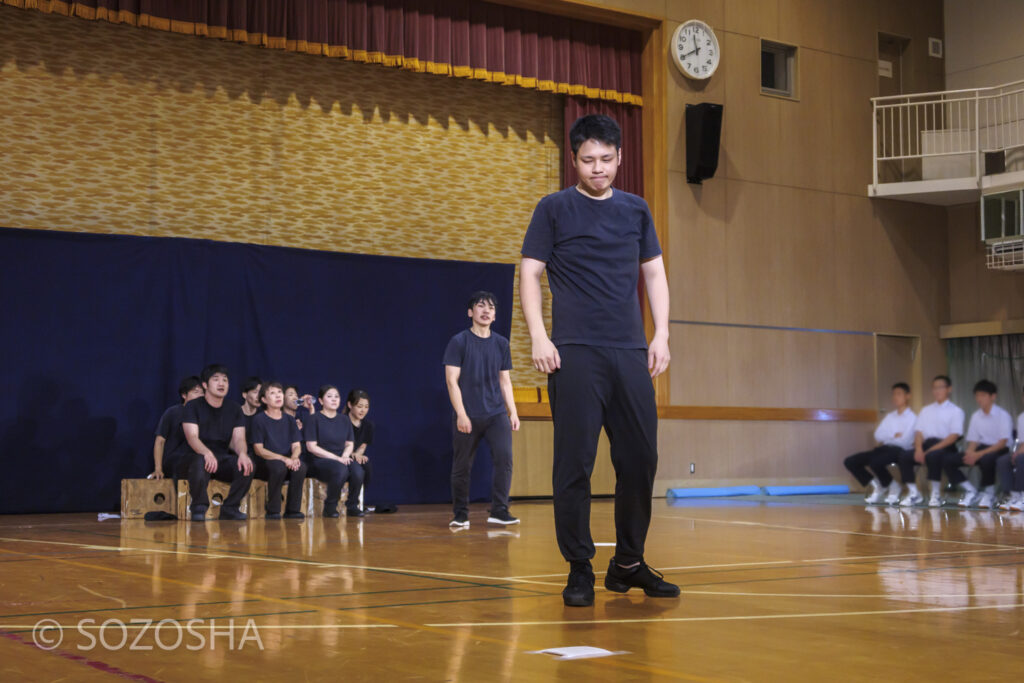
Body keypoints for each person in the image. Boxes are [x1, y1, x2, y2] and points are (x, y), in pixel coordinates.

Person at [520, 114, 679, 607]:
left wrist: (663, 334)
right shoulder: (553, 209)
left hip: (631, 351)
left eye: (606, 160)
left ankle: (628, 563)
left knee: (641, 460)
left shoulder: (636, 210)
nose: (598, 169)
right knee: (575, 464)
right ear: (574, 160)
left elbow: (654, 274)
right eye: (588, 160)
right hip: (575, 354)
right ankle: (579, 567)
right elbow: (528, 274)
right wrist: (539, 337)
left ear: (619, 158)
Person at [443, 292, 520, 529]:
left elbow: (505, 381)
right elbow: (451, 381)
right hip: (468, 412)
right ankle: (461, 514)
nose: (486, 311)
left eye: (491, 308)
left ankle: (499, 510)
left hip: (496, 413)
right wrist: (462, 413)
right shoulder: (459, 341)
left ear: (495, 315)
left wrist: (513, 411)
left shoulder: (501, 343)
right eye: (480, 306)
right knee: (462, 465)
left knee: (505, 459)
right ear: (471, 312)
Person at [178, 364, 254, 521]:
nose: (221, 383)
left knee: (247, 464)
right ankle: (199, 507)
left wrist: (243, 454)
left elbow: (239, 439)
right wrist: (206, 453)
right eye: (216, 379)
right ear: (205, 385)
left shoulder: (234, 409)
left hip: (221, 456)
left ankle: (230, 507)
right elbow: (192, 437)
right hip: (195, 455)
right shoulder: (193, 406)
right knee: (200, 461)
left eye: (225, 380)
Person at [843, 383, 916, 505]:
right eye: (894, 394)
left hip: (900, 450)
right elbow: (878, 435)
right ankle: (880, 485)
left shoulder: (913, 418)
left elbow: (905, 440)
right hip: (884, 448)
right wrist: (893, 435)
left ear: (907, 396)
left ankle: (891, 486)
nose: (895, 397)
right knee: (850, 461)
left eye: (899, 394)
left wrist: (889, 436)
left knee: (875, 462)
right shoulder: (890, 416)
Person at [899, 375, 965, 508]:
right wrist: (918, 449)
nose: (937, 391)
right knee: (904, 456)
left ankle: (936, 494)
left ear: (949, 389)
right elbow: (919, 433)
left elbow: (953, 436)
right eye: (934, 388)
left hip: (946, 446)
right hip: (926, 445)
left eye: (940, 387)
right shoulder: (926, 410)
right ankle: (914, 493)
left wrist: (928, 451)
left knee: (933, 455)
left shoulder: (956, 411)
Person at [950, 380, 1013, 509]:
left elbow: (1002, 442)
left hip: (1000, 449)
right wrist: (970, 453)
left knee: (986, 459)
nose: (979, 399)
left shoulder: (1003, 415)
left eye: (983, 395)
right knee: (949, 460)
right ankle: (971, 491)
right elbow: (973, 440)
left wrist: (978, 454)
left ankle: (989, 494)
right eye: (977, 395)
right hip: (981, 448)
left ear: (993, 396)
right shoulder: (976, 416)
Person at [304, 384, 364, 518]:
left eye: (336, 396)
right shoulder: (314, 419)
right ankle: (330, 507)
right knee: (341, 470)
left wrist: (344, 455)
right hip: (320, 459)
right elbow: (311, 447)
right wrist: (337, 459)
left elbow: (349, 443)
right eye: (329, 396)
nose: (334, 399)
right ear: (320, 401)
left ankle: (352, 506)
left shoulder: (344, 419)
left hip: (341, 457)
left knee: (358, 471)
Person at [251, 381, 307, 519]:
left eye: (279, 392)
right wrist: (283, 459)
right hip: (266, 461)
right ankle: (273, 510)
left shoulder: (289, 420)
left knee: (300, 467)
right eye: (272, 393)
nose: (278, 396)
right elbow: (259, 450)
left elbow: (297, 446)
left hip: (287, 460)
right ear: (264, 399)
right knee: (278, 467)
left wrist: (294, 458)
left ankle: (293, 510)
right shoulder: (259, 419)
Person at [150, 375, 204, 480]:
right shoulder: (173, 412)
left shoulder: (205, 415)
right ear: (184, 395)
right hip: (173, 460)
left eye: (202, 393)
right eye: (196, 392)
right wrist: (158, 468)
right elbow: (160, 441)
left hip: (197, 461)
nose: (200, 396)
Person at [997, 388, 1024, 511]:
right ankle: (1013, 495)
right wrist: (1016, 452)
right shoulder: (1021, 418)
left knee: (1021, 459)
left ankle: (1022, 494)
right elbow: (1022, 442)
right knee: (1003, 460)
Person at [345, 389, 374, 502]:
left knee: (366, 466)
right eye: (359, 406)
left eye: (366, 407)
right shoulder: (342, 421)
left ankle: (358, 500)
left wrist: (358, 454)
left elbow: (363, 445)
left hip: (354, 455)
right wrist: (351, 454)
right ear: (350, 405)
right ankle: (351, 502)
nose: (363, 410)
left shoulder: (368, 425)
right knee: (357, 471)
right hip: (341, 455)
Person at [240, 376, 262, 452]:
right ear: (244, 395)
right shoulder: (235, 413)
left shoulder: (263, 415)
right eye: (255, 392)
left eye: (260, 393)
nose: (258, 396)